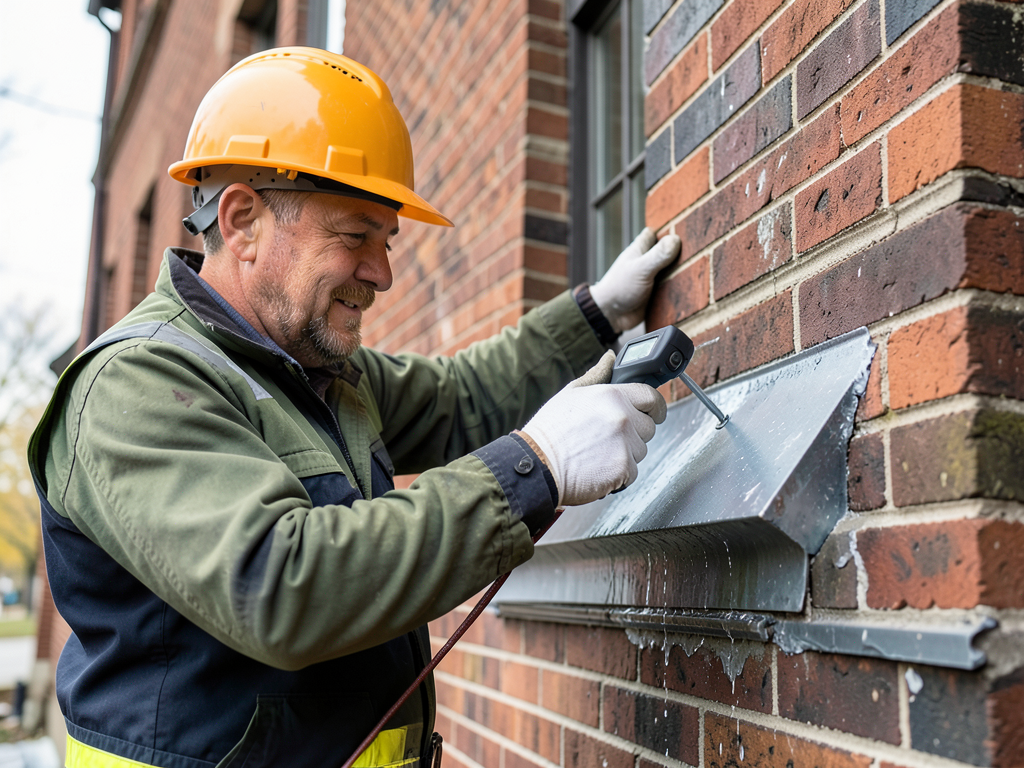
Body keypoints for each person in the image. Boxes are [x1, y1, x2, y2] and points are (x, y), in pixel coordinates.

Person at [29, 48, 680, 768]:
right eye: (355, 234)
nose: (384, 272)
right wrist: (540, 466)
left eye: (387, 238)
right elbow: (279, 582)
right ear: (243, 221)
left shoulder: (316, 372)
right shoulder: (136, 383)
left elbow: (458, 399)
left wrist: (594, 314)